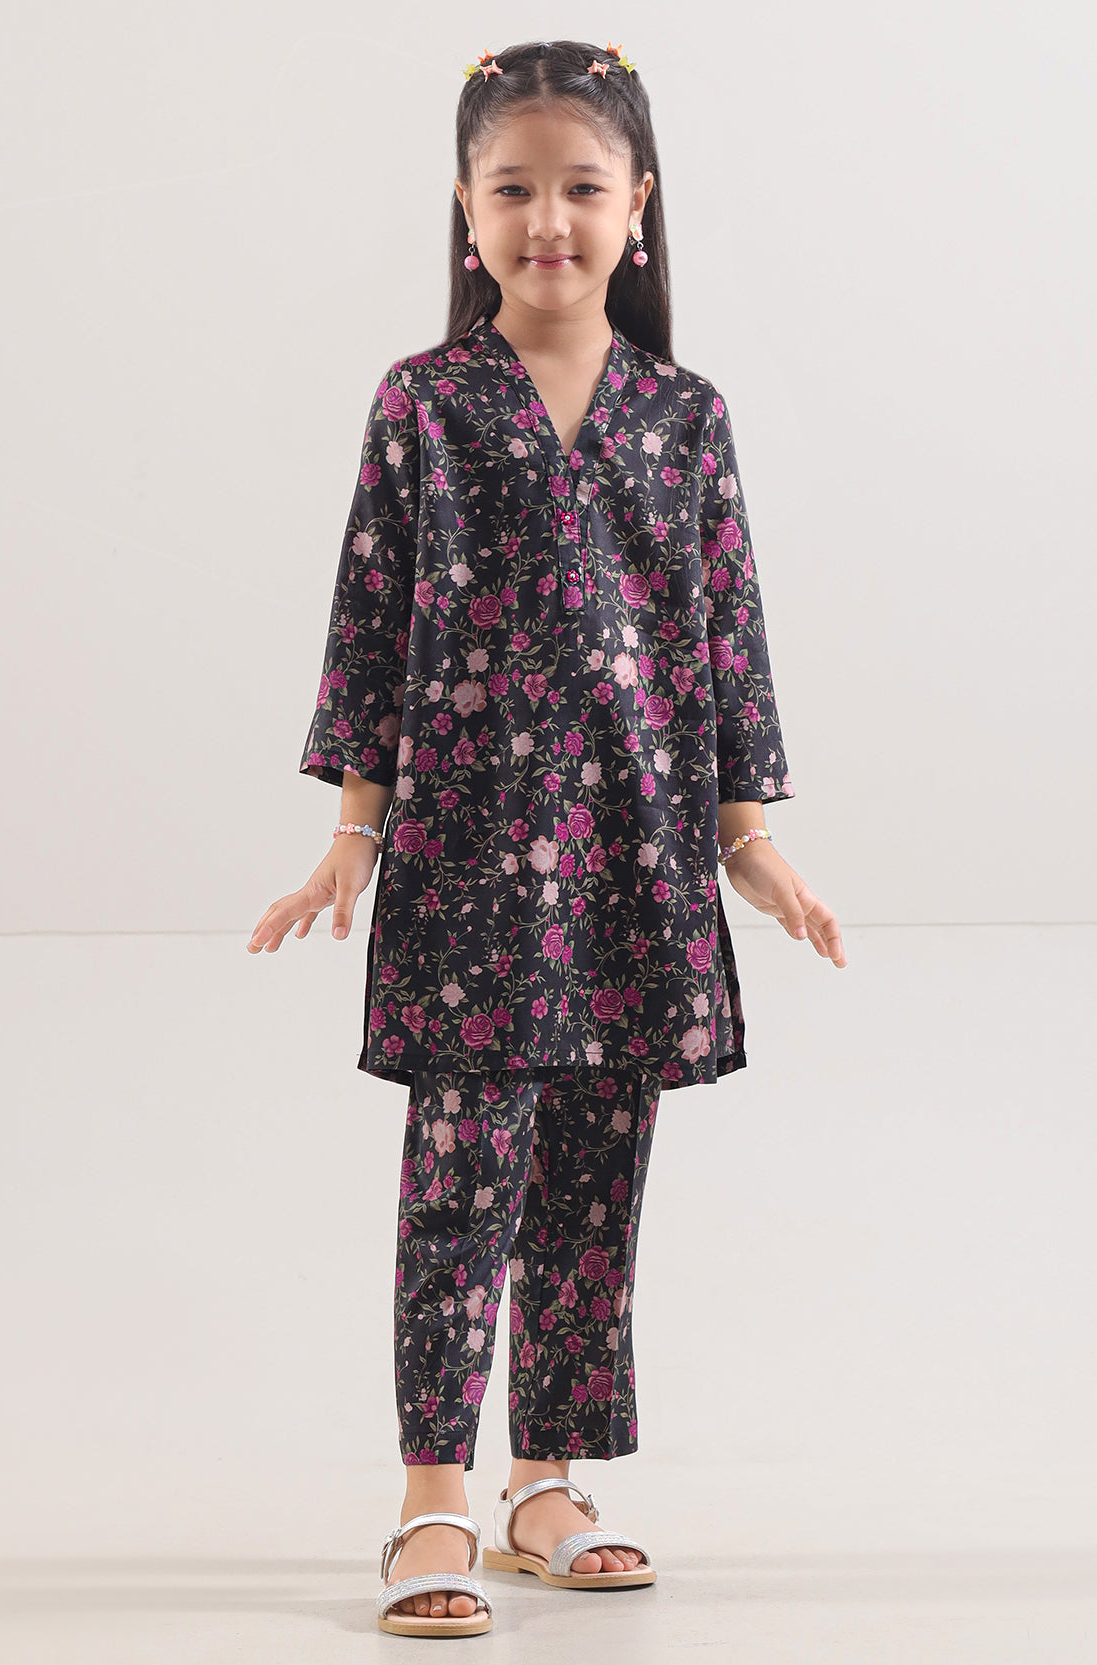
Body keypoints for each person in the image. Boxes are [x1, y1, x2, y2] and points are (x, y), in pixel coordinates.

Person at [248, 36, 847, 1640]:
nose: (546, 221)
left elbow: (724, 636)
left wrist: (750, 844)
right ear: (464, 207)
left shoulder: (685, 415)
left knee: (592, 1184)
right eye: (510, 188)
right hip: (464, 869)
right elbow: (368, 620)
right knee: (459, 1181)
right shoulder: (423, 404)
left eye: (580, 187)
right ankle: (430, 1495)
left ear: (638, 205)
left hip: (636, 868)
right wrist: (352, 835)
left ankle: (545, 1483)